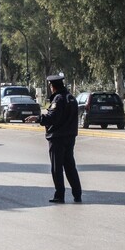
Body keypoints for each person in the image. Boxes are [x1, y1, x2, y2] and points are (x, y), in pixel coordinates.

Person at [25, 74, 82, 203]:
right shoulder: (71, 98)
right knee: (70, 166)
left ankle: (59, 195)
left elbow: (52, 118)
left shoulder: (58, 100)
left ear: (53, 87)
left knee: (57, 167)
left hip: (57, 138)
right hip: (70, 136)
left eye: (51, 86)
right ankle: (77, 194)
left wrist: (38, 118)